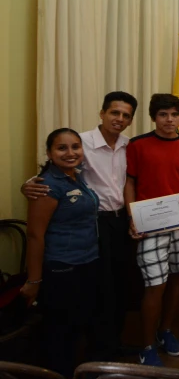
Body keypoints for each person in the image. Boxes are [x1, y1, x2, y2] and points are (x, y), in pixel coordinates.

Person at [22, 91, 140, 357]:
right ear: (102, 113)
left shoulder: (128, 145)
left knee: (121, 285)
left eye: (125, 115)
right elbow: (53, 172)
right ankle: (96, 349)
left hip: (122, 221)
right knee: (100, 290)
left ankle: (112, 344)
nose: (119, 119)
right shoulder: (81, 142)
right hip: (92, 224)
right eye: (114, 113)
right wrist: (27, 185)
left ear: (131, 120)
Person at [125, 93, 179, 366]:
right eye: (163, 115)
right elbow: (130, 182)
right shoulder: (137, 145)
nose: (169, 120)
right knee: (155, 284)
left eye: (174, 114)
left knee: (177, 279)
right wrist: (132, 214)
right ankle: (146, 345)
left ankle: (164, 331)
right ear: (153, 117)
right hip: (150, 225)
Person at [21, 129, 102, 379]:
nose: (70, 153)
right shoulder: (46, 185)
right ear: (49, 153)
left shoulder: (76, 177)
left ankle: (75, 378)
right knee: (61, 330)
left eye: (75, 147)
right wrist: (34, 280)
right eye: (62, 148)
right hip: (62, 266)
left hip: (86, 261)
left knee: (80, 322)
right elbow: (35, 235)